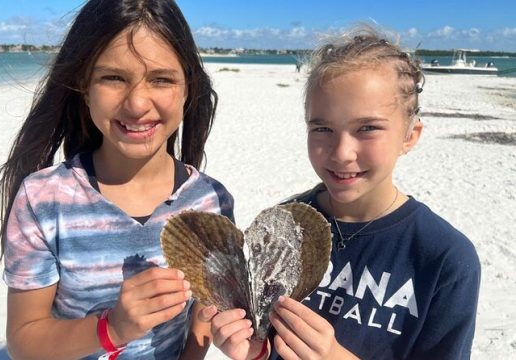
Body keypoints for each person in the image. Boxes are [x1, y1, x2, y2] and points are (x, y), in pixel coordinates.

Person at [200, 26, 480, 359]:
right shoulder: (286, 225)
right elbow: (267, 340)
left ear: (410, 135)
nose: (342, 152)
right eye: (323, 129)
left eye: (367, 128)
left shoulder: (445, 259)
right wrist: (254, 350)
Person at [0, 0, 234, 359]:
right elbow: (25, 341)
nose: (137, 104)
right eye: (113, 77)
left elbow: (204, 310)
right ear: (84, 85)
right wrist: (112, 328)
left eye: (161, 79)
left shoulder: (211, 201)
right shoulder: (44, 199)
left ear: (187, 88)